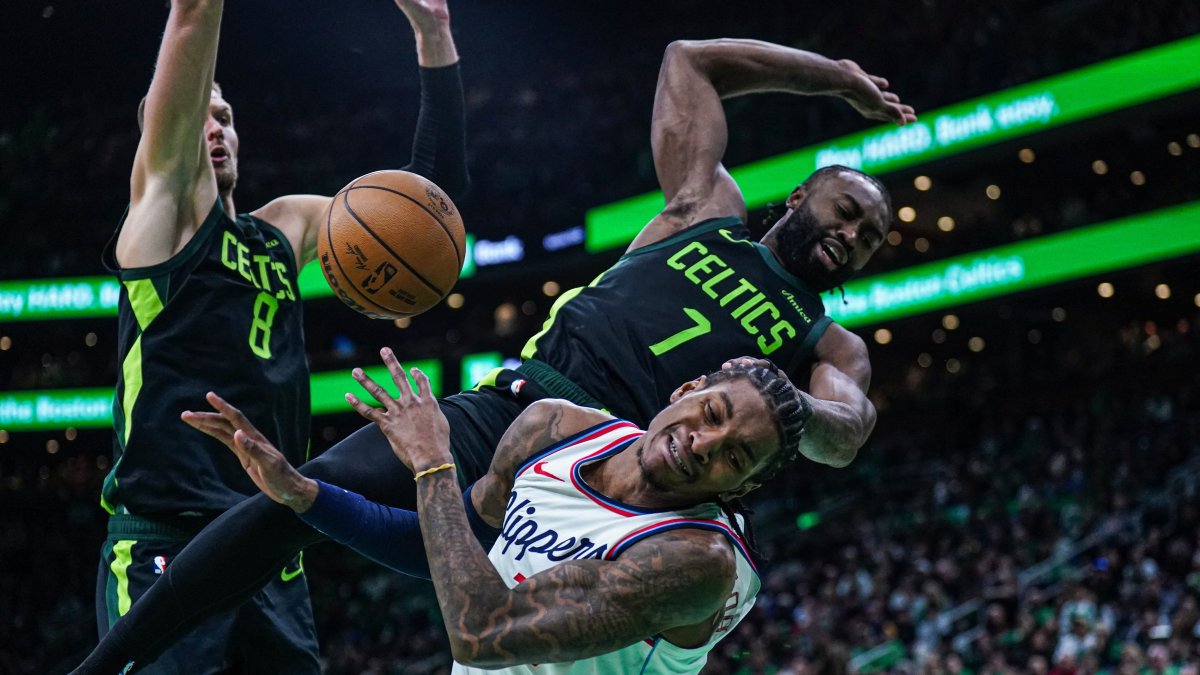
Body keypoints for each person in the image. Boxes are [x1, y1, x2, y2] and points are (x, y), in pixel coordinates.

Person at [73, 37, 915, 672]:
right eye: (845, 210)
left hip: (608, 466)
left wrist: (776, 403)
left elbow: (847, 430)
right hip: (511, 405)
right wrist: (834, 78)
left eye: (869, 235)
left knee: (501, 631)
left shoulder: (824, 340)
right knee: (289, 501)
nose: (852, 234)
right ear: (803, 192)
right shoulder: (706, 205)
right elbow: (688, 61)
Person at [92, 0, 468, 671]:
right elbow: (192, 16)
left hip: (272, 541)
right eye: (196, 113)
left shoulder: (284, 228)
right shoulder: (159, 224)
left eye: (227, 117)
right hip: (167, 539)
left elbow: (425, 207)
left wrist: (433, 34)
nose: (215, 127)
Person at [203, 351, 811, 673]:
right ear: (686, 393)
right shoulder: (556, 426)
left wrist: (434, 464)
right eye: (711, 414)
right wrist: (307, 497)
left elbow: (479, 634)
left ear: (741, 491)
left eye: (735, 455)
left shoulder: (694, 561)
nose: (703, 443)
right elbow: (445, 547)